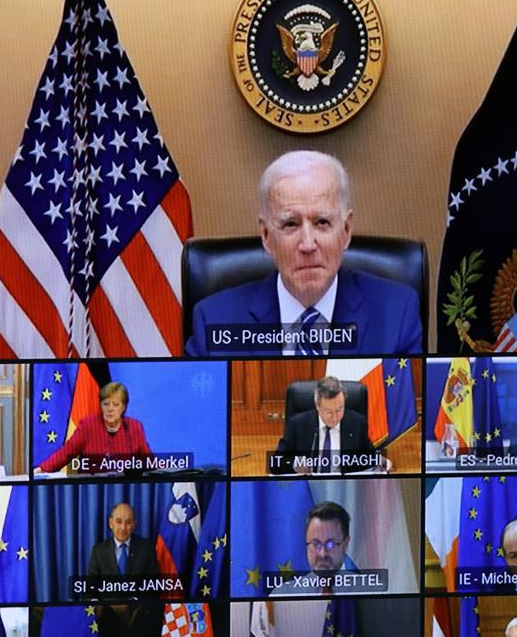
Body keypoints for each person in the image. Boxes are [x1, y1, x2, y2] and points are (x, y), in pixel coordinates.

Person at [184, 151, 423, 357]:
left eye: (321, 222)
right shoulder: (216, 320)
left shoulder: (396, 313)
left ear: (346, 230)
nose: (308, 244)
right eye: (291, 225)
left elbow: (406, 407)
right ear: (266, 236)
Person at [272, 376, 386, 474]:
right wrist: (295, 464)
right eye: (329, 412)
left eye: (339, 409)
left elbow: (370, 457)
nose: (335, 417)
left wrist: (381, 462)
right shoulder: (298, 424)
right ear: (317, 406)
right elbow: (275, 463)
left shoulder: (357, 422)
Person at [85, 502, 164, 637]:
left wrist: (136, 602)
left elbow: (155, 585)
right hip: (107, 619)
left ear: (134, 524)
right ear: (111, 523)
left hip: (139, 617)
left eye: (128, 522)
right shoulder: (99, 550)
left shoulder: (146, 548)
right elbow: (91, 585)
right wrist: (96, 605)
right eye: (119, 522)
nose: (123, 527)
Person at [35, 382, 152, 474]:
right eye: (106, 404)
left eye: (115, 404)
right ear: (100, 405)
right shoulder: (88, 425)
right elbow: (66, 452)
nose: (110, 409)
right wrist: (42, 469)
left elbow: (149, 462)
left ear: (124, 407)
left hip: (124, 489)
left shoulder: (134, 427)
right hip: (92, 491)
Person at [270, 501, 356, 597]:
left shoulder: (370, 590)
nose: (322, 554)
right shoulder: (282, 594)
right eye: (316, 544)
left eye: (331, 544)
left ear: (345, 544)